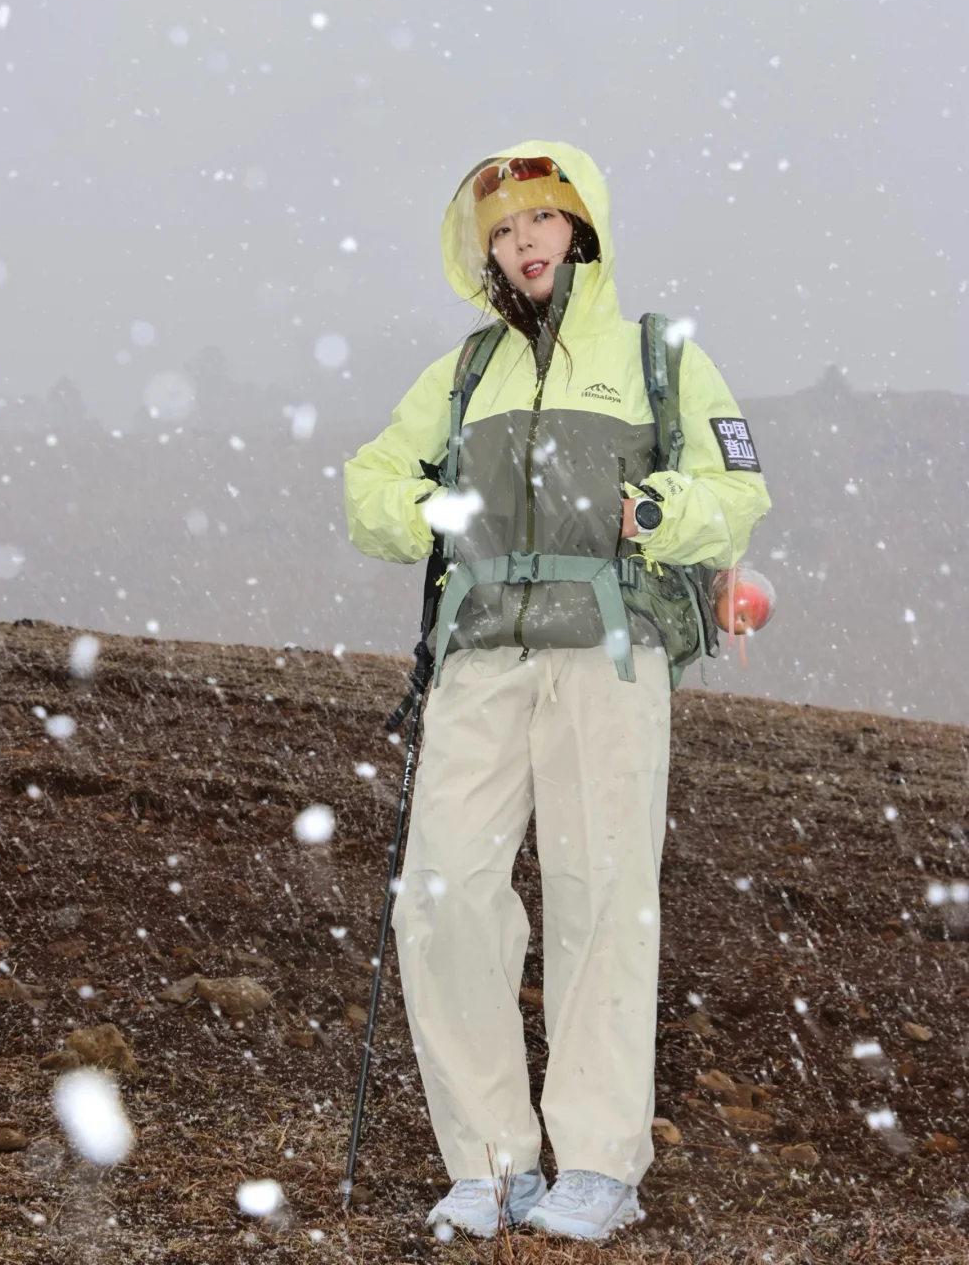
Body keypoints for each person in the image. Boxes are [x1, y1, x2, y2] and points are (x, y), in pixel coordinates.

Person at [343, 141, 771, 1241]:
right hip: (480, 652)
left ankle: (598, 1166)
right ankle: (489, 1166)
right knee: (442, 894)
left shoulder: (657, 356)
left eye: (541, 217)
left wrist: (660, 511)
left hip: (610, 653)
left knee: (603, 896)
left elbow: (737, 489)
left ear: (581, 228)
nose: (522, 240)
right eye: (500, 229)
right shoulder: (466, 370)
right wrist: (427, 512)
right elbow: (369, 485)